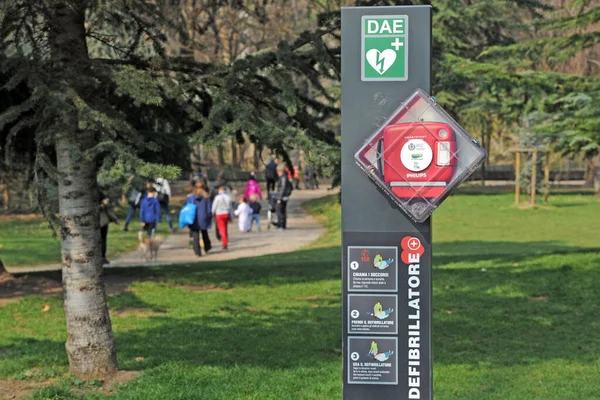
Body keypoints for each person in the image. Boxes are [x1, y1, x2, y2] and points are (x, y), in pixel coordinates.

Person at [189, 184, 212, 257]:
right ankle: (207, 247)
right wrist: (209, 216)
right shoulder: (206, 197)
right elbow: (209, 209)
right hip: (203, 217)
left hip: (194, 218)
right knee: (204, 233)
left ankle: (197, 251)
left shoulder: (192, 197)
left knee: (195, 235)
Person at [209, 173, 233, 241]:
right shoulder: (226, 185)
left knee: (218, 223)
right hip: (226, 207)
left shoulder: (213, 186)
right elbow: (232, 192)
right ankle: (224, 236)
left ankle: (219, 235)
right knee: (225, 224)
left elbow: (210, 196)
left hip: (216, 206)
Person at [99, 194, 119, 265]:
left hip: (103, 223)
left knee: (103, 240)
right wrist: (103, 204)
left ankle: (103, 257)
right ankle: (99, 257)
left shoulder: (102, 195)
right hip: (96, 223)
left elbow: (108, 210)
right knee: (99, 241)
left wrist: (114, 218)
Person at [211, 185, 232, 250]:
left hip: (219, 214)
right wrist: (231, 216)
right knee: (225, 228)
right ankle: (226, 240)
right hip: (226, 213)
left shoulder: (217, 197)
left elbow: (214, 206)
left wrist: (212, 213)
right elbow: (230, 207)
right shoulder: (228, 197)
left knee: (221, 229)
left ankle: (224, 243)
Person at [272, 164, 292, 230]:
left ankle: (280, 225)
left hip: (282, 197)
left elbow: (282, 188)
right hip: (284, 196)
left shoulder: (283, 177)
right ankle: (283, 225)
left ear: (281, 171)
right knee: (283, 211)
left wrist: (279, 198)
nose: (277, 172)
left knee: (279, 210)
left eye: (278, 171)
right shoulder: (285, 177)